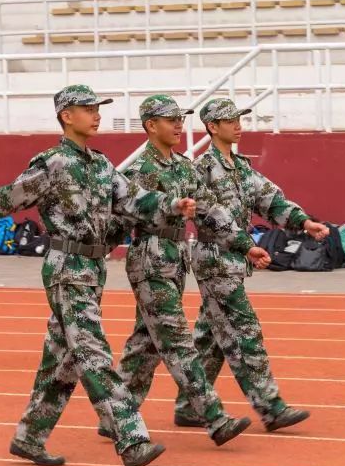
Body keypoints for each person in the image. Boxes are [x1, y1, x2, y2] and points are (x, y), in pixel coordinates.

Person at [0, 85, 197, 466]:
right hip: (67, 267)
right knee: (93, 353)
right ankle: (131, 438)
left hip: (93, 270)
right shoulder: (52, 164)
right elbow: (7, 197)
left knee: (61, 360)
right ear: (66, 116)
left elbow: (134, 201)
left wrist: (171, 205)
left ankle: (30, 435)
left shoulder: (100, 165)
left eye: (97, 109)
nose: (96, 115)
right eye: (88, 109)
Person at [95, 95, 251, 446]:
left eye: (181, 119)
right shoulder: (138, 173)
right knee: (178, 340)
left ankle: (115, 415)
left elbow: (210, 209)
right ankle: (213, 417)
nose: (180, 125)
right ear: (151, 125)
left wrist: (244, 244)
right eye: (172, 120)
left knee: (147, 342)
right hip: (150, 260)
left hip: (176, 258)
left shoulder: (184, 167)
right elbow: (119, 221)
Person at [174, 97, 328, 432]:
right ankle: (270, 407)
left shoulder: (241, 167)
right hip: (215, 260)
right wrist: (247, 247)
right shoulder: (202, 170)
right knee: (245, 332)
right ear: (213, 127)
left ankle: (189, 404)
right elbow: (212, 218)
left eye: (239, 119)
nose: (238, 125)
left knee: (211, 335)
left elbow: (271, 199)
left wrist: (304, 223)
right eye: (230, 120)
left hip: (232, 260)